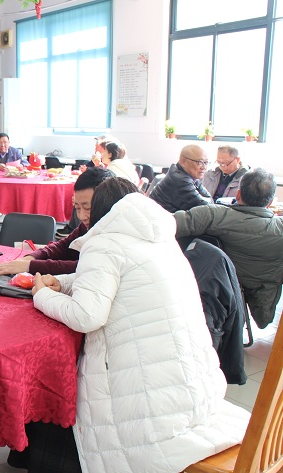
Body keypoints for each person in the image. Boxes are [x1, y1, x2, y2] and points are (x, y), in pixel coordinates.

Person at [30, 178, 249, 473]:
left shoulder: (104, 243)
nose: (83, 216)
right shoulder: (158, 237)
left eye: (88, 208)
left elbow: (87, 316)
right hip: (193, 388)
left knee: (62, 394)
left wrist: (42, 295)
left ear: (103, 211)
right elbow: (124, 279)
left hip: (148, 404)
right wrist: (65, 283)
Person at [174, 168, 283, 329]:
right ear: (271, 202)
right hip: (263, 292)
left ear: (238, 195)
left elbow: (172, 223)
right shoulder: (279, 229)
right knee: (264, 318)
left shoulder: (214, 215)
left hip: (220, 287)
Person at [0, 167, 115, 276]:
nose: (81, 216)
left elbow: (83, 267)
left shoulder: (114, 232)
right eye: (77, 208)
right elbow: (63, 246)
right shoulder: (89, 225)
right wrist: (31, 258)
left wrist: (30, 266)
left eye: (87, 208)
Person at [149, 144, 213, 212]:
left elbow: (209, 200)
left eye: (206, 162)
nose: (204, 167)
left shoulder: (191, 176)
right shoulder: (179, 180)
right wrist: (210, 201)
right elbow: (206, 208)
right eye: (199, 162)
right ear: (183, 161)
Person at [0, 133, 28, 226]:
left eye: (5, 142)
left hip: (12, 181)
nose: (2, 145)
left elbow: (26, 163)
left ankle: (13, 217)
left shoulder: (15, 151)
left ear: (9, 143)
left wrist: (22, 165)